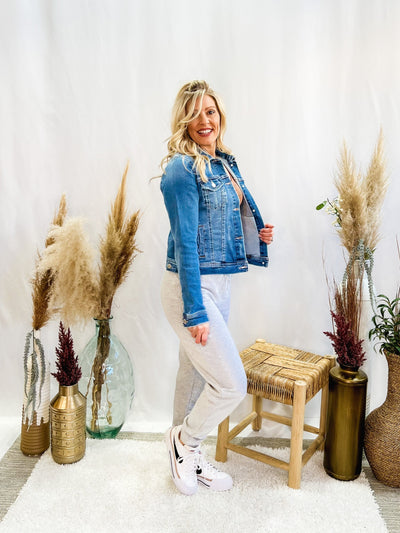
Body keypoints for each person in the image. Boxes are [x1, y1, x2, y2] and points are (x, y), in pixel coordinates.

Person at [160, 80, 274, 495]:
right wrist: (194, 310)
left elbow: (225, 219)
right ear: (184, 121)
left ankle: (187, 455)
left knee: (194, 374)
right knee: (231, 384)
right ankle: (183, 440)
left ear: (219, 115)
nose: (204, 120)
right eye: (194, 114)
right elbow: (186, 243)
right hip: (190, 286)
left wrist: (257, 235)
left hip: (220, 282)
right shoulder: (181, 169)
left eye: (210, 111)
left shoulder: (223, 162)